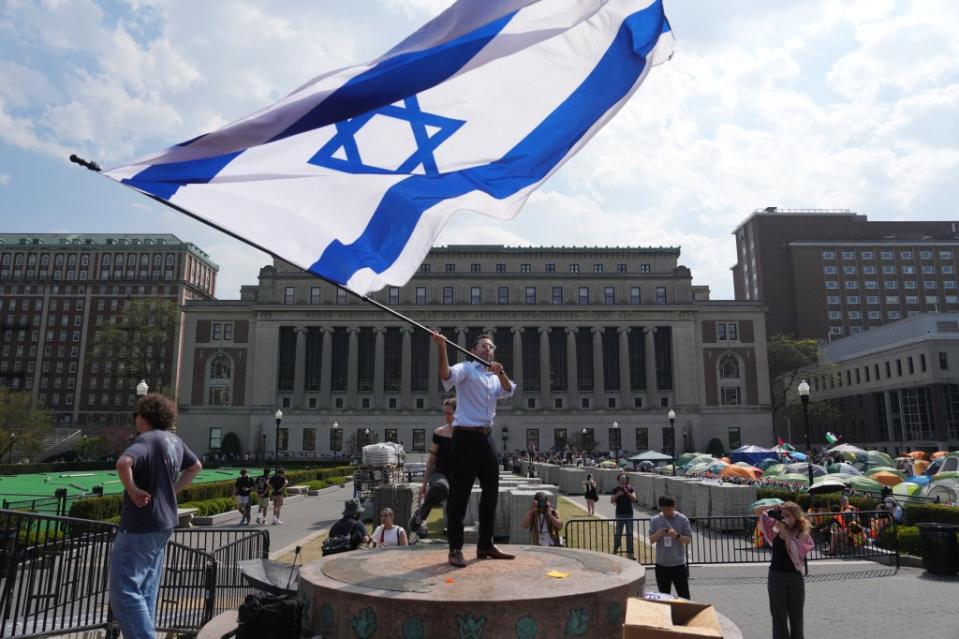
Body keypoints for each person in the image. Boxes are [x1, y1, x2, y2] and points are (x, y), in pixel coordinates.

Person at [109, 394, 202, 639]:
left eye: (136, 415)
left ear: (145, 417)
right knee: (147, 588)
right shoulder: (174, 441)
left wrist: (133, 490)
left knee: (124, 588)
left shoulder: (147, 440)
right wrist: (173, 490)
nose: (135, 420)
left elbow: (123, 462)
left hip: (139, 524)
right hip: (164, 524)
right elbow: (195, 467)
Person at [433, 331, 516, 568]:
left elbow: (509, 390)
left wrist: (500, 372)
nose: (487, 350)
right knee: (460, 495)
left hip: (487, 437)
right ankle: (455, 549)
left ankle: (485, 544)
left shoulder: (493, 376)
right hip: (466, 437)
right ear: (474, 349)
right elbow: (446, 375)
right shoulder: (466, 369)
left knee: (491, 493)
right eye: (483, 346)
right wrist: (441, 349)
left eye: (491, 347)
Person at [754, 501, 814, 639]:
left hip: (795, 578)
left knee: (796, 616)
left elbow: (796, 553)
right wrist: (772, 507)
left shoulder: (802, 534)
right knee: (778, 616)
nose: (785, 518)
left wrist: (784, 531)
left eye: (788, 515)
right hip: (776, 576)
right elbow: (757, 511)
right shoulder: (774, 528)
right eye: (783, 515)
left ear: (796, 517)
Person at [408, 398, 456, 538]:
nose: (446, 416)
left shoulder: (465, 434)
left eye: (449, 413)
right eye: (444, 413)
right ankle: (420, 516)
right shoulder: (439, 433)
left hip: (456, 478)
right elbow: (431, 460)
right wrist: (424, 485)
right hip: (440, 474)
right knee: (441, 487)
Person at [649, 496, 692, 599]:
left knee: (684, 596)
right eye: (664, 510)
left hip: (678, 565)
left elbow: (688, 540)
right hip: (661, 565)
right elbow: (651, 540)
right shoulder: (655, 520)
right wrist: (659, 533)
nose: (666, 512)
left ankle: (685, 614)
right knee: (664, 597)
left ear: (674, 508)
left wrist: (677, 535)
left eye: (669, 509)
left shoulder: (682, 519)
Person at [610, 472, 637, 558]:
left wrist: (627, 493)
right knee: (618, 533)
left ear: (626, 480)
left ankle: (630, 552)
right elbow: (611, 500)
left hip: (629, 514)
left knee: (630, 534)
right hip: (619, 514)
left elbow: (634, 499)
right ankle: (615, 549)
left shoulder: (630, 488)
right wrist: (618, 494)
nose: (622, 481)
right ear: (618, 480)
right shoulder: (615, 489)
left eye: (624, 479)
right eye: (621, 479)